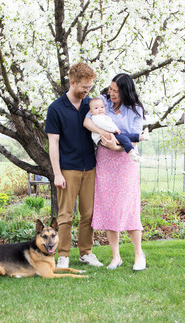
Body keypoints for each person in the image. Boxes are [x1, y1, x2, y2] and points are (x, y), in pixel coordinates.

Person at [84, 73, 147, 271]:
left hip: (126, 161)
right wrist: (104, 136)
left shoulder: (136, 110)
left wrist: (117, 148)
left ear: (125, 92)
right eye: (110, 89)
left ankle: (139, 254)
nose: (111, 94)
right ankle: (115, 256)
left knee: (130, 207)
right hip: (106, 162)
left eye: (115, 91)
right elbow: (87, 122)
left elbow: (134, 140)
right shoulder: (102, 102)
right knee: (109, 206)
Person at [45, 62, 103, 268]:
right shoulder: (56, 108)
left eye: (90, 87)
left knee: (88, 214)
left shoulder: (90, 106)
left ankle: (86, 253)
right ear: (72, 82)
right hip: (68, 169)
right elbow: (53, 143)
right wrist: (57, 173)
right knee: (66, 215)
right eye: (84, 87)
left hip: (90, 167)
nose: (87, 91)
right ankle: (63, 255)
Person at [89, 97, 149, 162]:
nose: (100, 109)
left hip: (111, 133)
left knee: (127, 135)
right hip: (103, 138)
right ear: (91, 112)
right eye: (96, 108)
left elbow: (110, 123)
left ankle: (141, 137)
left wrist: (116, 129)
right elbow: (104, 125)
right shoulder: (96, 118)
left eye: (102, 107)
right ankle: (131, 153)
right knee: (124, 139)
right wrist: (114, 129)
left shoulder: (103, 116)